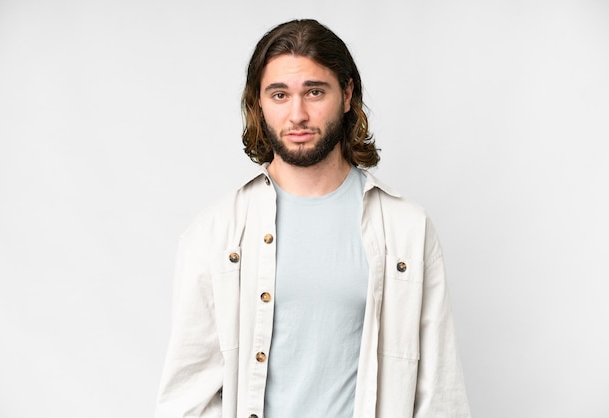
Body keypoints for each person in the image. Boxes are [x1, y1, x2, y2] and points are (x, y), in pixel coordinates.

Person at [155, 19, 470, 418]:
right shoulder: (216, 234)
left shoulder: (407, 229)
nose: (297, 114)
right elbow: (188, 397)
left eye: (314, 92)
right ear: (259, 103)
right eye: (280, 94)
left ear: (347, 95)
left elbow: (440, 394)